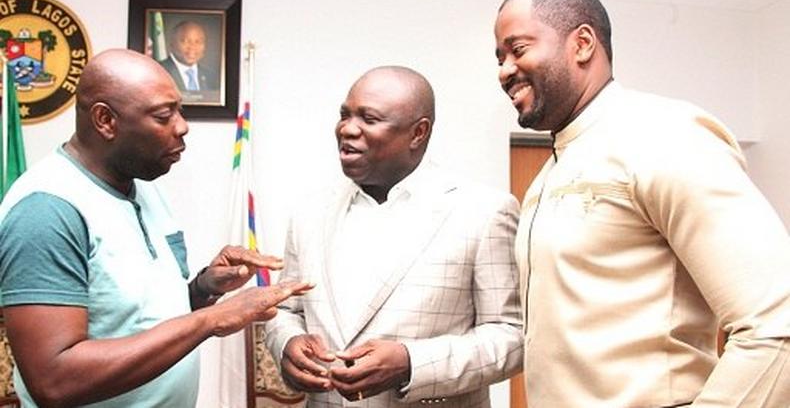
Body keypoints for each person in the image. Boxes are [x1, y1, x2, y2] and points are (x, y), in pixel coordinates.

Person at [495, 0, 790, 406]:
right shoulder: (548, 175)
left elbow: (777, 323)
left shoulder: (665, 135)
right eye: (499, 57)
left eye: (517, 49)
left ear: (582, 44)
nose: (504, 70)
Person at [0, 48, 311, 407]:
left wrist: (202, 289)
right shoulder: (46, 211)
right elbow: (54, 380)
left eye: (179, 110)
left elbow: (133, 317)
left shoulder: (144, 187)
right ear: (105, 120)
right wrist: (212, 320)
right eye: (164, 115)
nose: (182, 126)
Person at [264, 66, 523, 406]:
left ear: (418, 133)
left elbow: (511, 336)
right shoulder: (309, 213)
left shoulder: (483, 211)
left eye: (369, 119)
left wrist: (411, 363)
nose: (347, 129)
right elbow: (285, 309)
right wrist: (287, 343)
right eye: (345, 115)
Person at [159, 20, 218, 92]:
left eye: (198, 42)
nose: (192, 47)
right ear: (172, 44)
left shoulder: (211, 76)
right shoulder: (159, 71)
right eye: (185, 41)